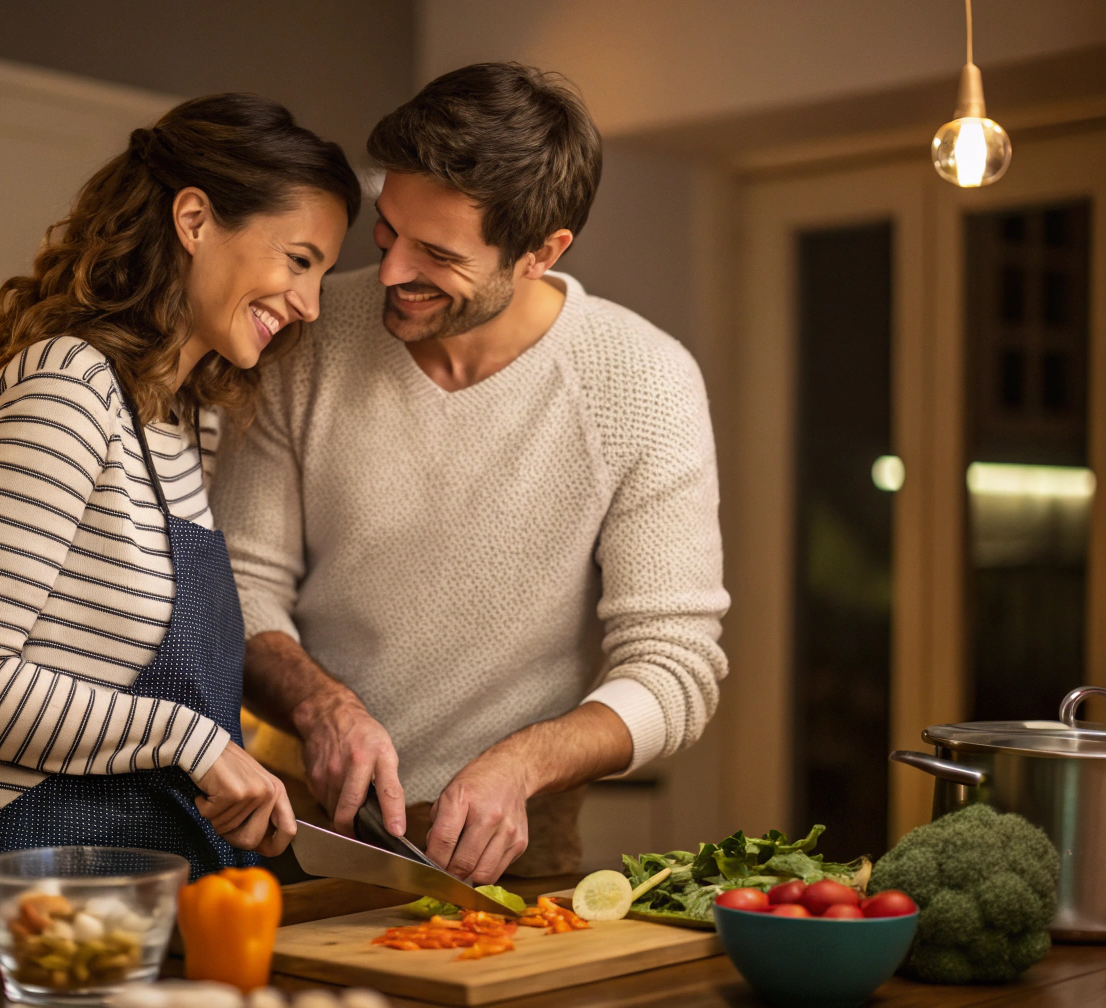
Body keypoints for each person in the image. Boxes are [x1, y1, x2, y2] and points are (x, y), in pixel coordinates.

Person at [212, 63, 730, 885]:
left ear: (542, 251)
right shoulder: (306, 338)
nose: (387, 273)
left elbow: (673, 666)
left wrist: (523, 765)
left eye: (438, 254)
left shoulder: (643, 380)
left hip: (512, 845)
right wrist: (320, 708)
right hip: (293, 823)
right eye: (387, 231)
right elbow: (234, 583)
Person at [0, 93, 358, 956]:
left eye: (321, 274)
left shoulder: (187, 419)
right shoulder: (67, 387)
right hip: (32, 929)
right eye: (299, 260)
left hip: (143, 920)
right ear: (193, 219)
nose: (311, 304)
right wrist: (191, 740)